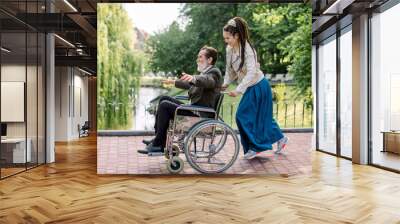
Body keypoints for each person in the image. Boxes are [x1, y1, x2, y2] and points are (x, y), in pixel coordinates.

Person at [221, 17, 288, 160]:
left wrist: (238, 90)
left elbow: (251, 73)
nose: (226, 41)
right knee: (263, 117)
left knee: (242, 115)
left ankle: (255, 147)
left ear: (236, 35)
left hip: (258, 85)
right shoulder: (229, 50)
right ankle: (281, 139)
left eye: (228, 38)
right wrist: (225, 83)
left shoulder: (248, 49)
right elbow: (230, 70)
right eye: (225, 38)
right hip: (251, 86)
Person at [138, 46, 222, 156]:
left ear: (209, 60)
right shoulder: (205, 73)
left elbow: (207, 81)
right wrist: (173, 82)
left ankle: (159, 144)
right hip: (195, 110)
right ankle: (158, 138)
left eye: (200, 57)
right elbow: (190, 84)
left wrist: (194, 78)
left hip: (200, 115)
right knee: (164, 98)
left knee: (164, 105)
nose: (198, 59)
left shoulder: (213, 73)